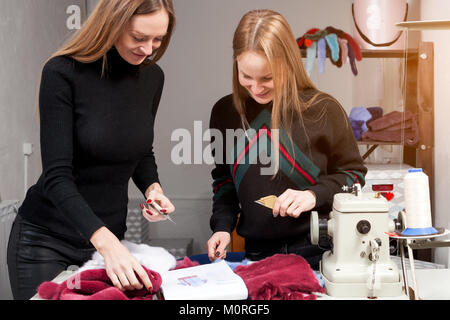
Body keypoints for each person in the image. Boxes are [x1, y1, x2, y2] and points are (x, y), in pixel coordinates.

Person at [7, 0, 176, 300]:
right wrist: (108, 244)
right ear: (112, 23)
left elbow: (140, 150)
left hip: (108, 239)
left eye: (158, 39)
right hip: (46, 241)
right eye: (139, 38)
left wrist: (153, 188)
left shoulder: (154, 78)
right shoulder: (62, 72)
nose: (149, 49)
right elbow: (57, 177)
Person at [206, 9, 367, 269]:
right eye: (246, 76)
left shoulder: (324, 109)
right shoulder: (225, 113)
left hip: (320, 251)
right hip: (257, 253)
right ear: (235, 63)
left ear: (288, 64)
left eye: (267, 78)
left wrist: (313, 195)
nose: (256, 88)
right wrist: (222, 228)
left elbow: (354, 174)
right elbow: (224, 182)